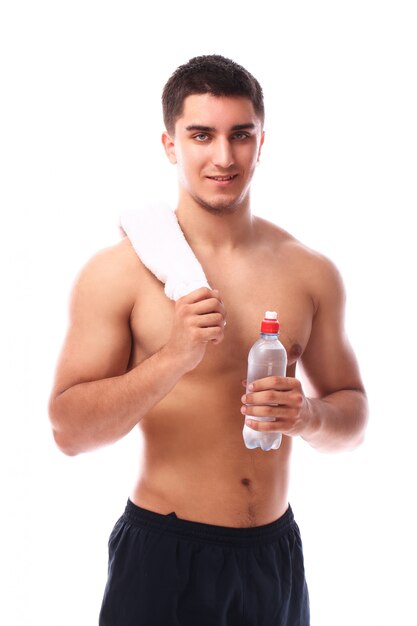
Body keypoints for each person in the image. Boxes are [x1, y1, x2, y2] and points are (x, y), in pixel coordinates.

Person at [48, 54, 368, 626]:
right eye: (201, 135)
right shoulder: (118, 275)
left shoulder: (309, 272)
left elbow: (354, 417)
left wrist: (309, 416)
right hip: (163, 557)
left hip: (275, 556)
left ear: (261, 143)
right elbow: (69, 432)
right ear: (171, 145)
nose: (223, 157)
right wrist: (175, 356)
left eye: (240, 135)